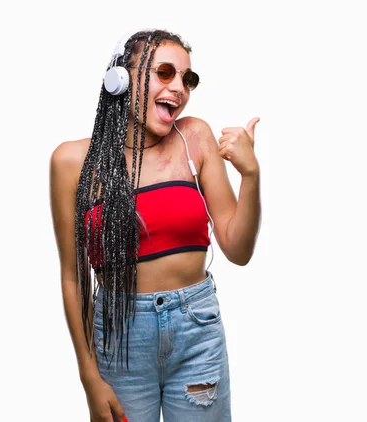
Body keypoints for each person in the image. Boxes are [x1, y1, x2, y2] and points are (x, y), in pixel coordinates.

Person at [50, 28, 261, 422]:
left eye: (187, 78)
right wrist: (87, 374)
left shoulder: (194, 137)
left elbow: (238, 248)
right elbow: (73, 277)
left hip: (196, 327)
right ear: (122, 79)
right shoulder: (72, 163)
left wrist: (251, 176)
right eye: (165, 73)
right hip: (119, 333)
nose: (179, 88)